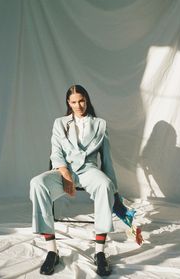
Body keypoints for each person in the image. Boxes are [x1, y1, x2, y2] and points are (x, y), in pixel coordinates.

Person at [30, 84, 143, 276]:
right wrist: (66, 177)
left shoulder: (100, 124)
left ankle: (99, 253)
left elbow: (106, 160)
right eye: (73, 102)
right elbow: (56, 154)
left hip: (89, 170)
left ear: (87, 100)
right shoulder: (60, 123)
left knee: (105, 184)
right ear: (68, 103)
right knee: (37, 183)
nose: (78, 105)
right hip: (64, 170)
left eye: (81, 101)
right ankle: (52, 250)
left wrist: (114, 191)